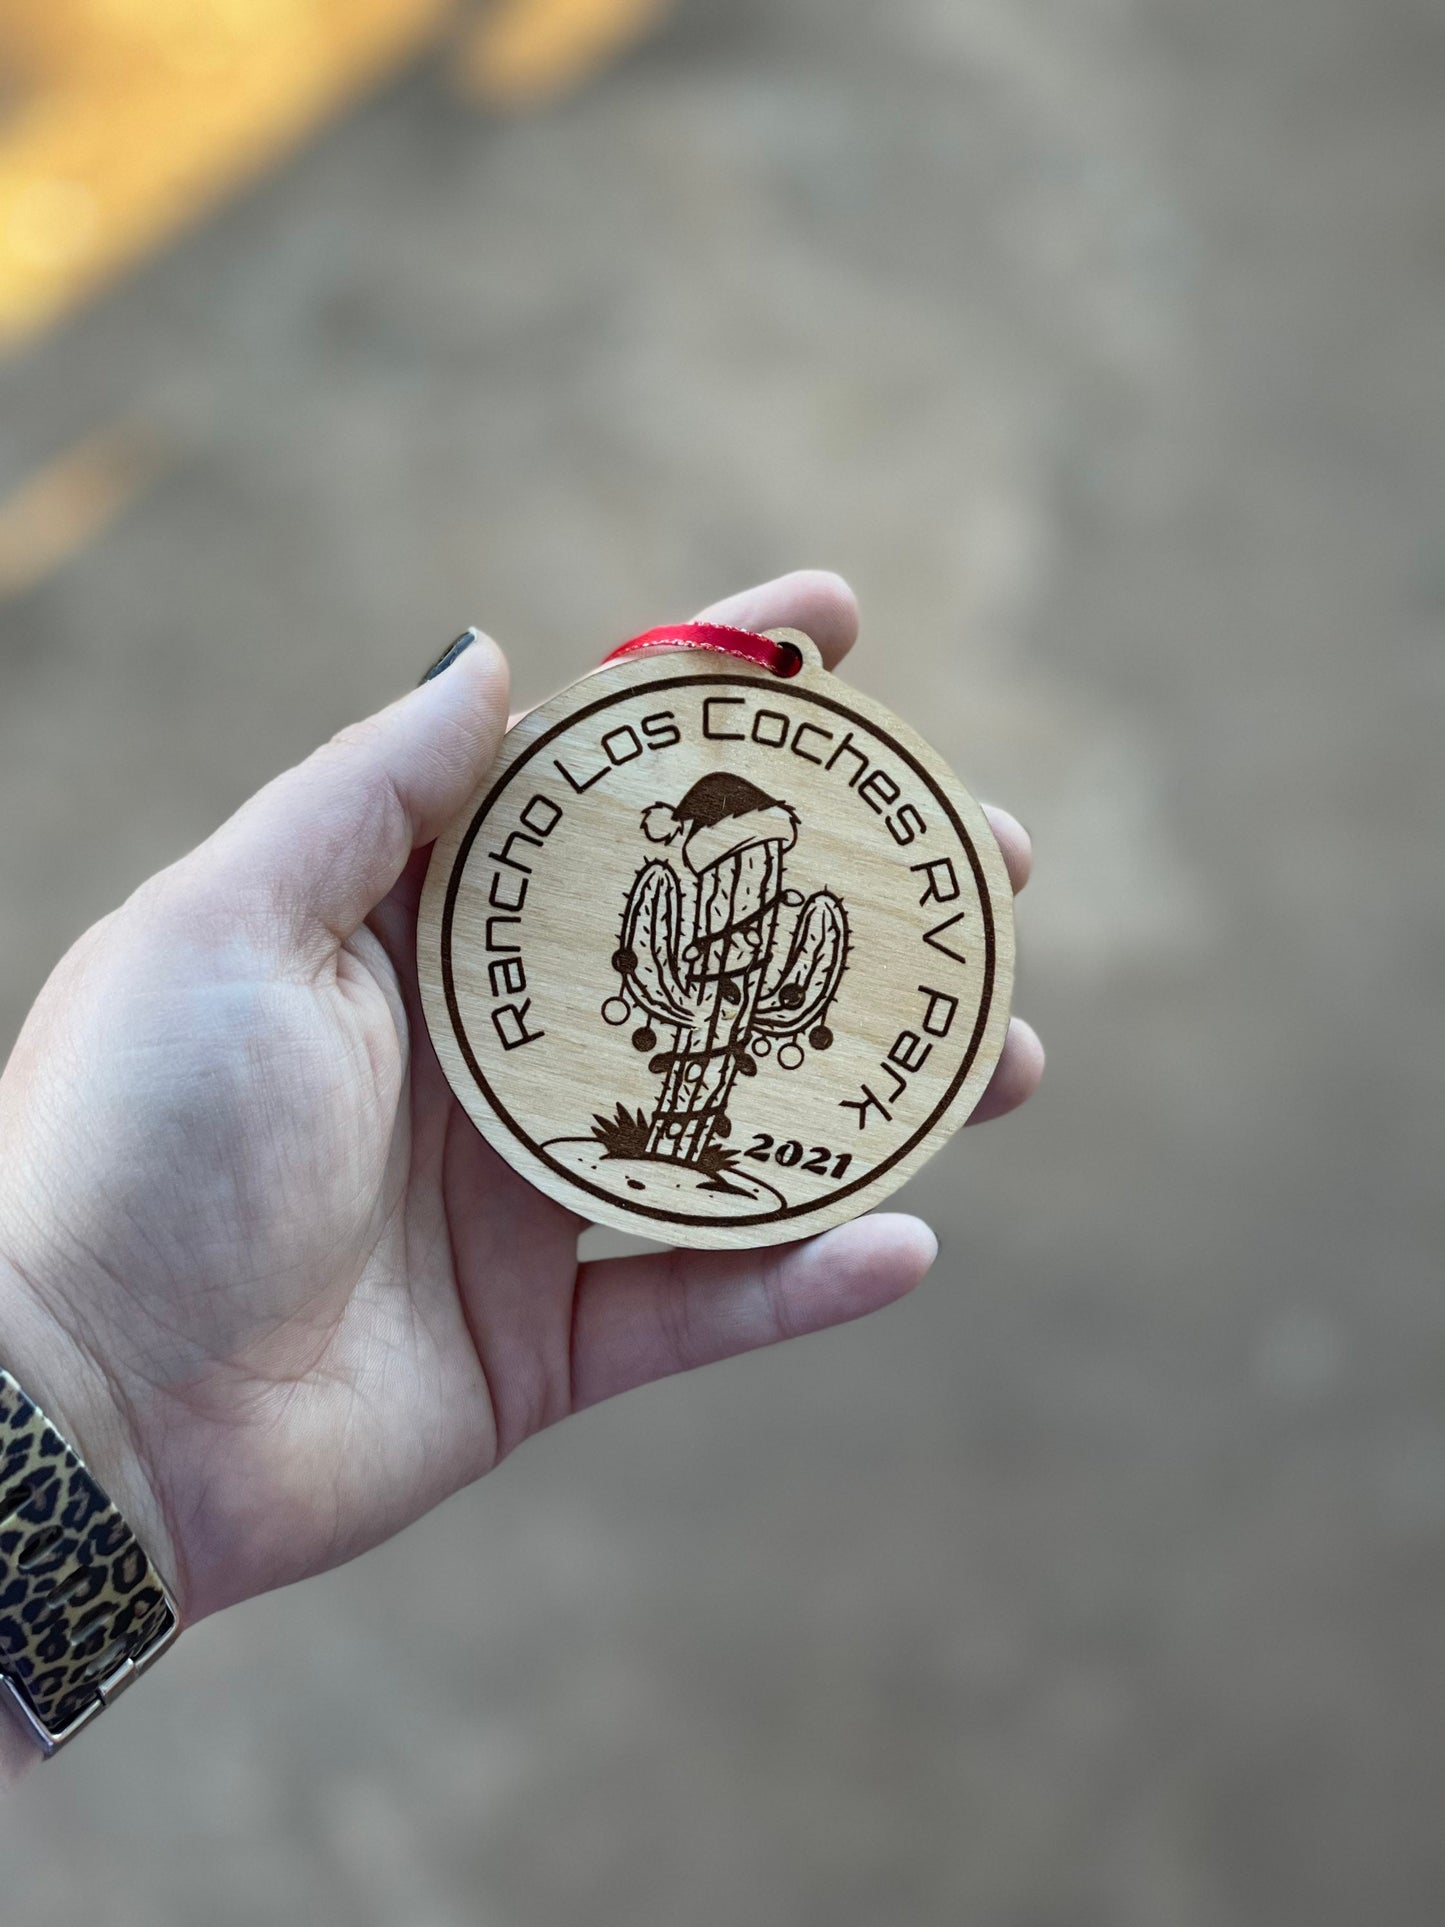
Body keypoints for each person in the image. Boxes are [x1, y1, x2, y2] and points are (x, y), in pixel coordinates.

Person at [0, 573, 1042, 1782]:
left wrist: (90, 1390)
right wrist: (78, 1364)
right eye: (733, 856)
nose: (749, 881)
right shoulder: (661, 903)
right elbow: (661, 973)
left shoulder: (798, 923)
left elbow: (786, 984)